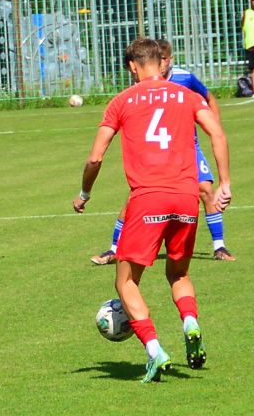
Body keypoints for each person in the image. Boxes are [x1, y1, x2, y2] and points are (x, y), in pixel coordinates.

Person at [73, 38, 232, 382]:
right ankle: (190, 322)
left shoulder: (121, 101)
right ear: (161, 62)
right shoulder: (186, 96)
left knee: (126, 281)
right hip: (187, 198)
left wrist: (84, 193)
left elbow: (95, 157)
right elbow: (217, 134)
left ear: (133, 66)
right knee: (178, 274)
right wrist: (224, 183)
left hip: (147, 199)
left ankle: (155, 350)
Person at [91, 41, 235, 265]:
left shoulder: (184, 79)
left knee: (206, 189)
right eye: (162, 58)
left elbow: (209, 99)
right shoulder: (138, 89)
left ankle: (219, 246)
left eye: (167, 58)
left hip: (186, 147)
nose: (165, 63)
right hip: (157, 151)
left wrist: (214, 124)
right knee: (136, 197)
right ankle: (114, 247)